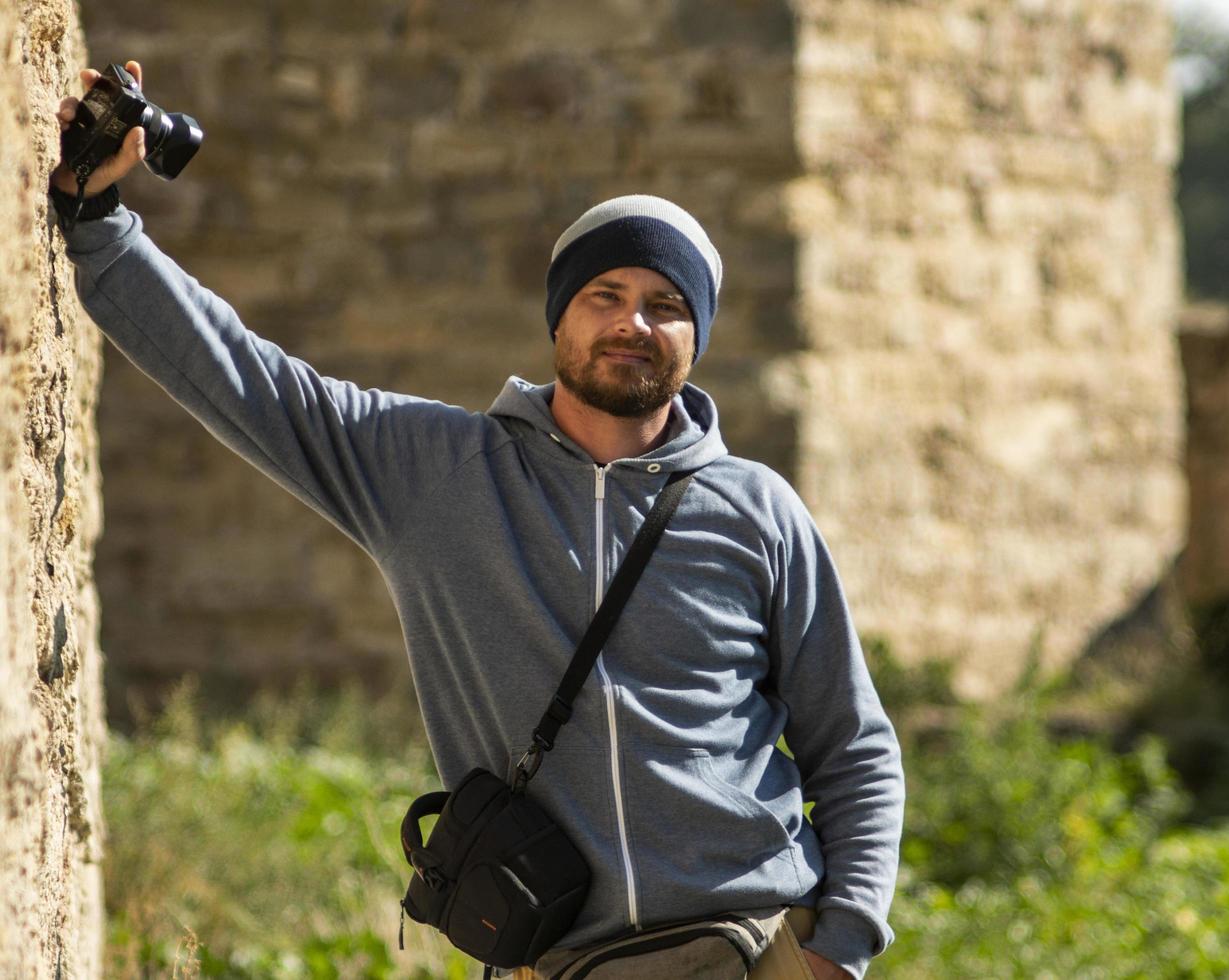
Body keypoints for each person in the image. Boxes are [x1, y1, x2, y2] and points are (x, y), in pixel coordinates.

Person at [50, 61, 904, 980]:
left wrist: (839, 948)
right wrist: (99, 225)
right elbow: (246, 380)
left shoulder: (757, 508)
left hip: (753, 946)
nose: (634, 324)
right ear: (557, 319)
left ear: (696, 337)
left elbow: (851, 745)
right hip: (556, 961)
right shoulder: (436, 471)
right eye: (604, 297)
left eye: (665, 305)